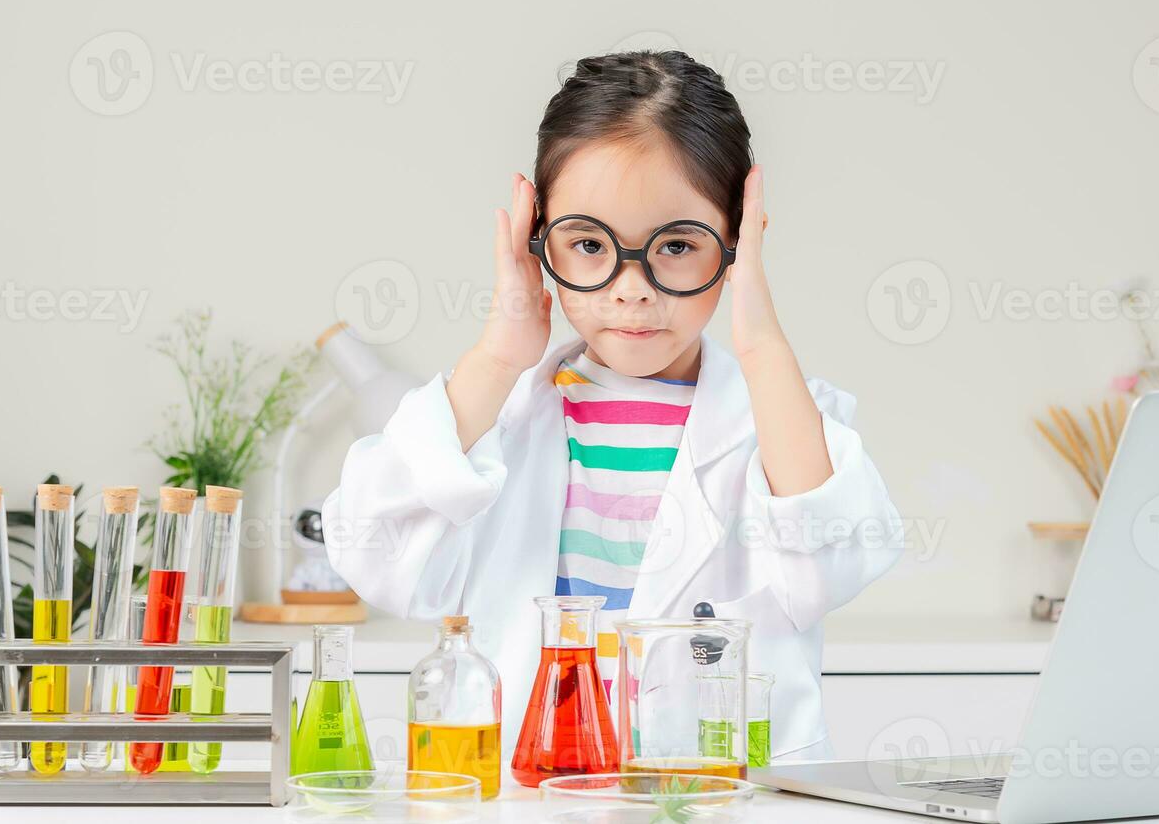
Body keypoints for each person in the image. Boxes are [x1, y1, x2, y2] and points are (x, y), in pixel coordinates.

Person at [322, 50, 902, 763]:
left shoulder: (779, 419)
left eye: (678, 245)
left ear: (737, 243)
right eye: (589, 244)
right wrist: (501, 354)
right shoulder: (497, 414)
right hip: (539, 792)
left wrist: (762, 344)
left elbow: (829, 565)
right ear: (540, 241)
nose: (631, 288)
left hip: (723, 798)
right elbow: (370, 552)